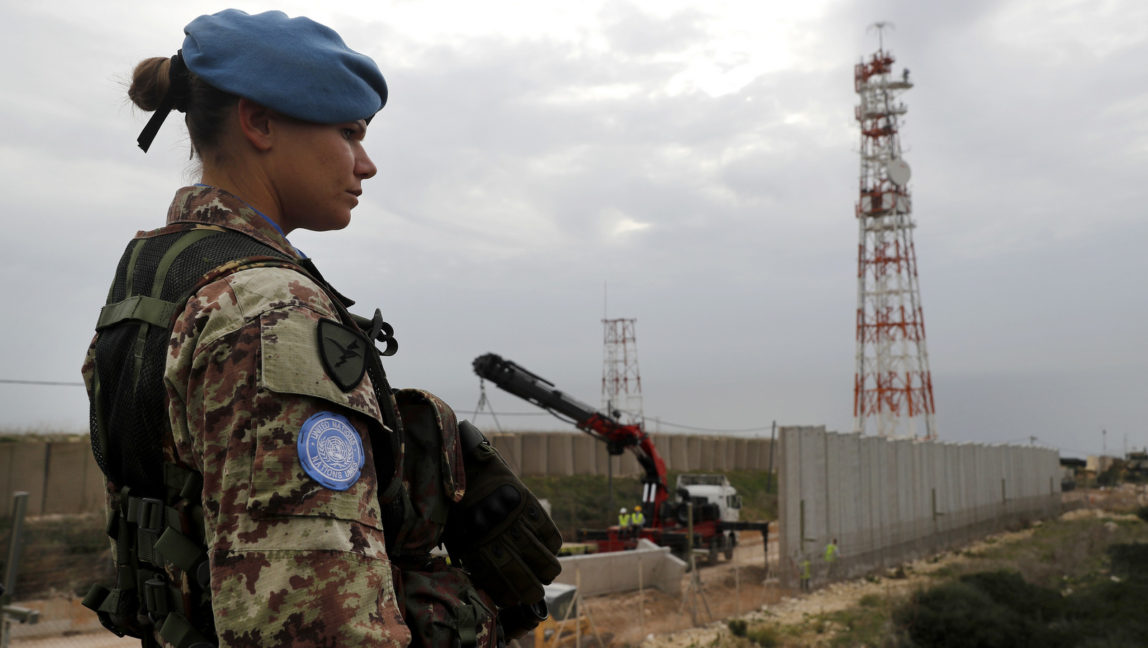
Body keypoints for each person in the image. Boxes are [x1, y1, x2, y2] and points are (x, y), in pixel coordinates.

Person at [81, 10, 560, 648]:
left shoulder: (157, 275)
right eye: (349, 133)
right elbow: (313, 620)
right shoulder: (268, 308)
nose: (366, 164)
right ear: (259, 122)